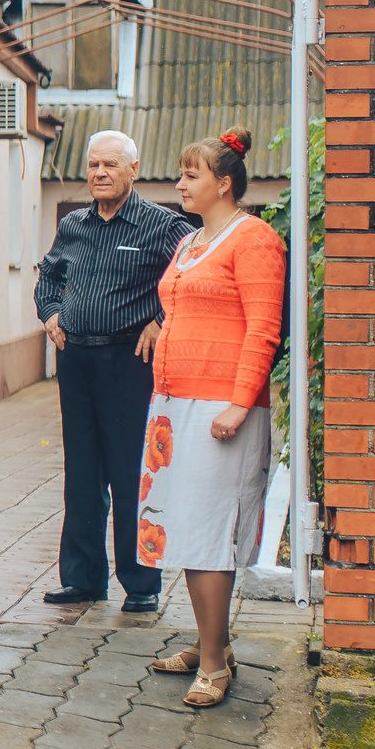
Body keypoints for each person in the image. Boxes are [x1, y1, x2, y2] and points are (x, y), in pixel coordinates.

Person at [138, 128, 285, 710]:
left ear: (223, 183)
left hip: (222, 408)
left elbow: (264, 329)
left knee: (209, 536)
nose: (179, 183)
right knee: (184, 527)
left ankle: (217, 662)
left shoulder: (254, 240)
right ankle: (207, 642)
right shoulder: (192, 241)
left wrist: (239, 402)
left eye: (190, 174)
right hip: (176, 405)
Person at [35, 130, 189, 614]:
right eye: (93, 165)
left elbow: (193, 278)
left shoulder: (162, 225)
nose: (99, 173)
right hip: (76, 360)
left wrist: (162, 322)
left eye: (110, 166)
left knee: (129, 475)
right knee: (81, 474)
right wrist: (51, 311)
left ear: (133, 170)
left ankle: (141, 584)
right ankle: (82, 579)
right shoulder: (74, 225)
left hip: (129, 363)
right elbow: (50, 276)